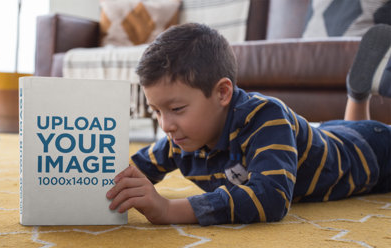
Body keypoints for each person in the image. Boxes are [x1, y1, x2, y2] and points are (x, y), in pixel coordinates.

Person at [106, 23, 391, 226]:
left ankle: (366, 91)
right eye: (156, 111)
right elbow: (131, 171)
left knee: (356, 152)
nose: (166, 125)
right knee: (346, 139)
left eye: (177, 109)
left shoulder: (267, 117)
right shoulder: (181, 138)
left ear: (222, 93)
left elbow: (271, 197)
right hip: (333, 136)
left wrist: (168, 209)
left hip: (379, 154)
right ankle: (358, 92)